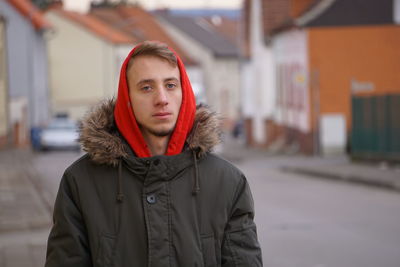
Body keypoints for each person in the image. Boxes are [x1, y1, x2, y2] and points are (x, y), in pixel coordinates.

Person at [45, 41, 262, 267]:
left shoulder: (228, 183)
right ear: (127, 98)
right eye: (146, 87)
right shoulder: (80, 182)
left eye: (170, 85)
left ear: (184, 93)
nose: (161, 99)